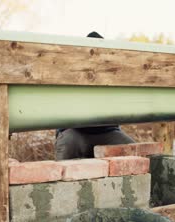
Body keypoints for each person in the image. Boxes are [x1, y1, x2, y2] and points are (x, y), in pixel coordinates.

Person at [55, 32, 135, 160]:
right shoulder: (73, 71)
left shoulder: (112, 72)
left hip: (107, 132)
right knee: (67, 144)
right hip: (75, 131)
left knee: (134, 150)